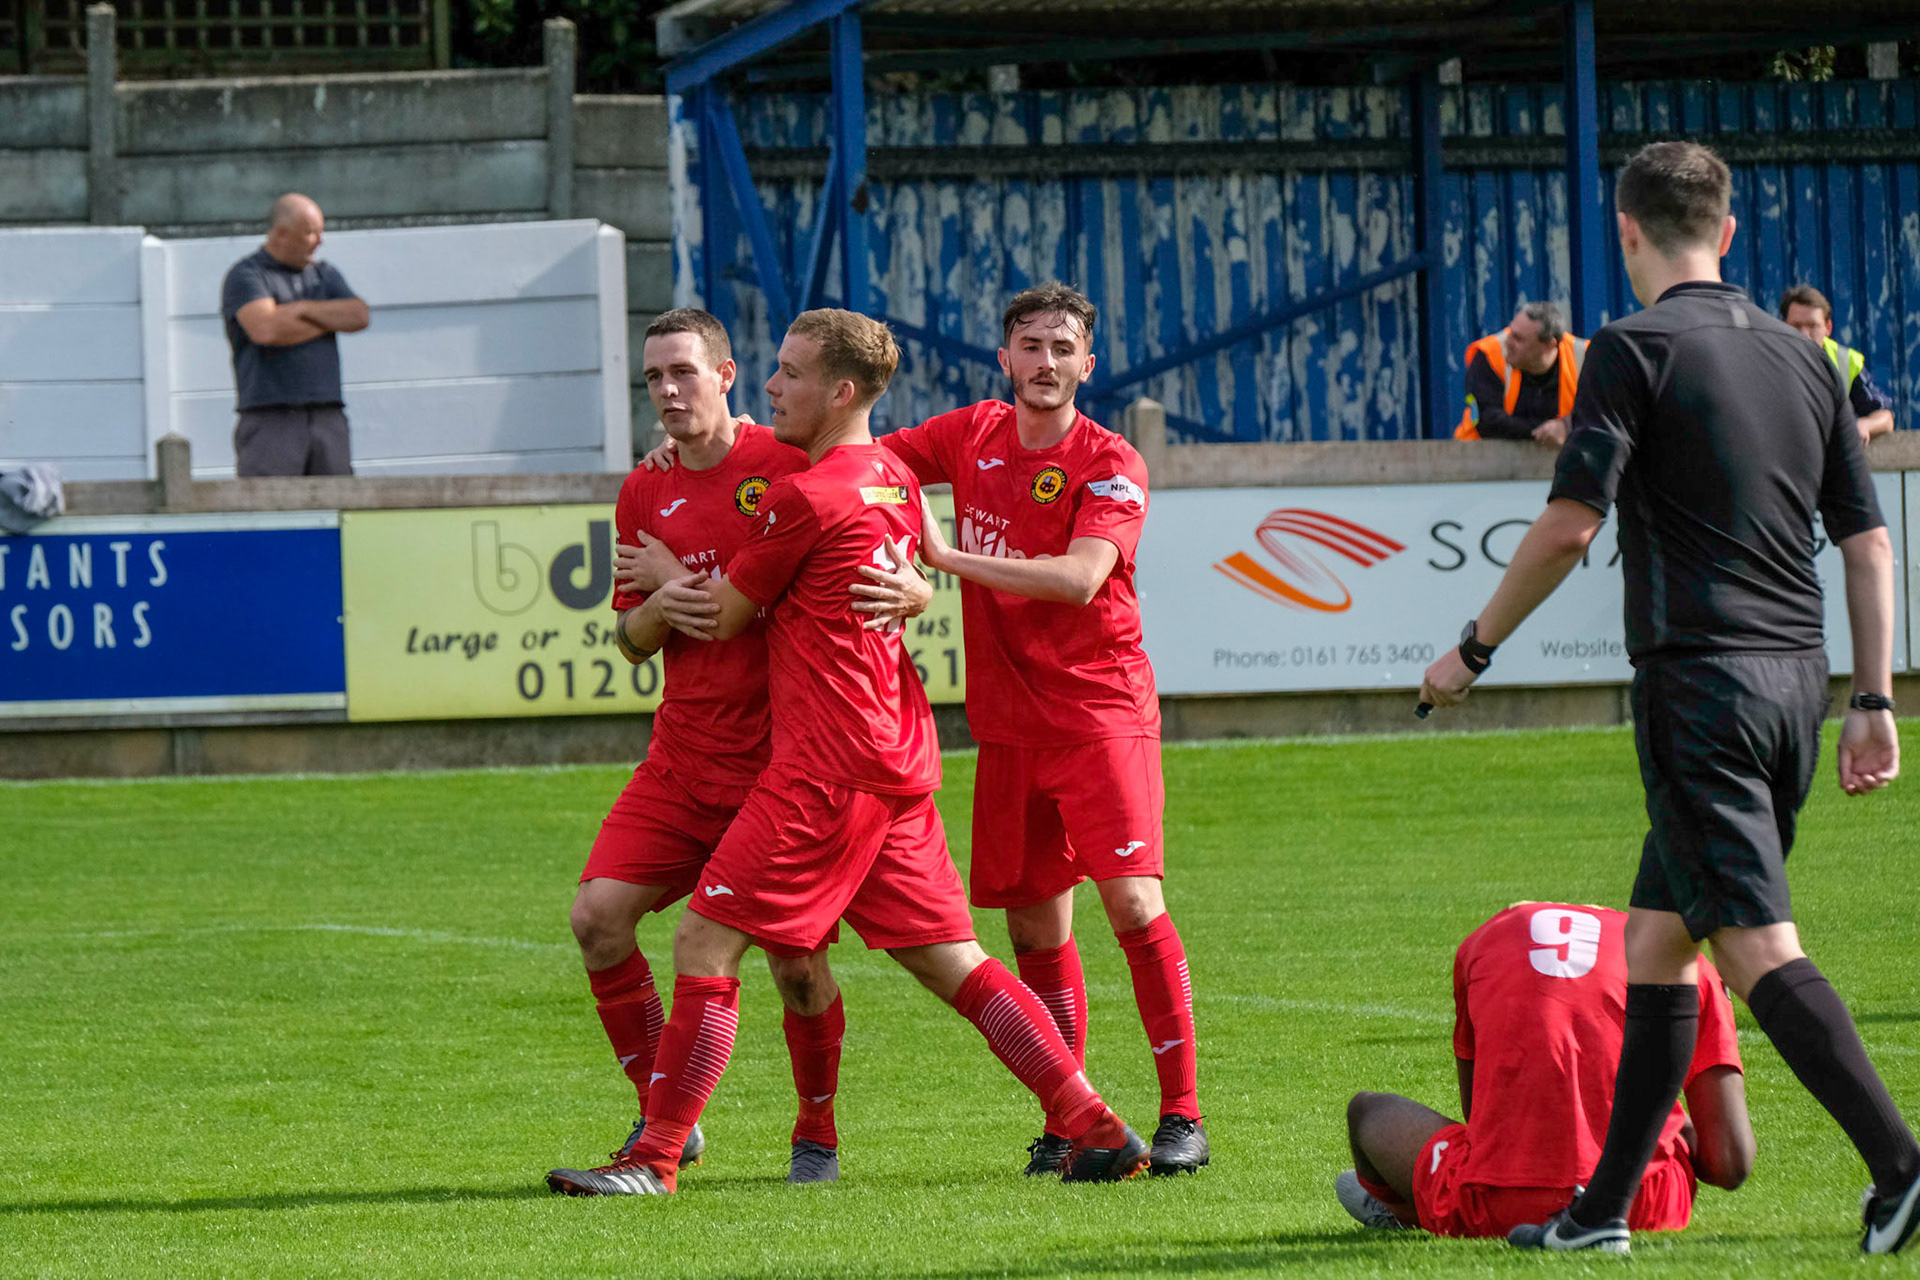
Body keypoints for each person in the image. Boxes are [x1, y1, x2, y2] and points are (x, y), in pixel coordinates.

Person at [1419, 141, 1919, 1256]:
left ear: (1627, 231)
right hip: (1795, 684)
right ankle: (1599, 1214)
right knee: (1656, 943)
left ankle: (1902, 1167)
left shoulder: (1632, 348)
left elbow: (1569, 525)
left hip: (1701, 686)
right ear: (1728, 232)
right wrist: (1874, 698)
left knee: (1751, 941)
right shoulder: (1810, 360)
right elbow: (1870, 543)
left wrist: (1473, 649)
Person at [589, 308, 1151, 1196]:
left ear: (840, 391)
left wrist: (667, 578)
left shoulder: (804, 495)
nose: (773, 385)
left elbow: (726, 616)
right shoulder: (890, 477)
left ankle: (655, 1158)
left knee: (704, 941)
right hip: (895, 755)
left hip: (825, 766)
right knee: (953, 962)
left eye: (789, 373)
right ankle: (1097, 1124)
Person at [546, 310, 927, 1195]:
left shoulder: (789, 459)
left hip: (784, 764)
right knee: (597, 919)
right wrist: (657, 608)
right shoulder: (643, 490)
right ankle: (664, 1120)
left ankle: (816, 1137)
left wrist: (919, 587)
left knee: (799, 965)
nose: (668, 390)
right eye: (653, 377)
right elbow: (630, 639)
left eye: (684, 371)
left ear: (725, 376)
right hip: (684, 759)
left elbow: (875, 518)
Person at [894, 283, 1207, 1178]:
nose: (1045, 362)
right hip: (1008, 726)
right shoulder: (970, 433)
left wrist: (942, 558)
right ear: (1004, 359)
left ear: (1087, 365)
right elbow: (862, 454)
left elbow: (1078, 578)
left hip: (1100, 714)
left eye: (1062, 348)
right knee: (1034, 930)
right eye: (1030, 346)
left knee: (1133, 904)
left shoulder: (1110, 461)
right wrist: (724, 446)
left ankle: (1183, 1115)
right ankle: (1070, 1119)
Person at [1338, 901, 1752, 1239]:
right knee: (1669, 1128)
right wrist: (1671, 1124)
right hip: (1645, 1202)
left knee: (1367, 1110)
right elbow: (1730, 1163)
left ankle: (1406, 1211)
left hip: (1496, 1205)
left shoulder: (1483, 939)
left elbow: (1478, 1115)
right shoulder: (1686, 962)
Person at [220, 193, 370, 477]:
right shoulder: (248, 275)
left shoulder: (325, 274)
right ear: (281, 235)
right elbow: (266, 329)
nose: (319, 241)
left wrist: (301, 309)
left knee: (338, 499)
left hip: (327, 416)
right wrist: (328, 319)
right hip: (271, 419)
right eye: (311, 232)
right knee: (272, 502)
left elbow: (358, 315)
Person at [1454, 302, 1586, 447]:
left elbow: (1602, 415)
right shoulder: (1490, 355)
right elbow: (1487, 420)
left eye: (1518, 338)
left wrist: (1566, 426)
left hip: (1567, 456)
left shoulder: (1587, 358)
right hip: (1478, 455)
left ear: (1549, 345)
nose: (1508, 342)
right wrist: (1549, 430)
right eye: (1510, 332)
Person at [1779, 285, 1898, 447]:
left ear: (1828, 328)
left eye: (1812, 326)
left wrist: (1864, 425)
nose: (1804, 334)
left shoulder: (1844, 362)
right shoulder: (1768, 360)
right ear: (1783, 326)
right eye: (1796, 326)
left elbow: (1885, 418)